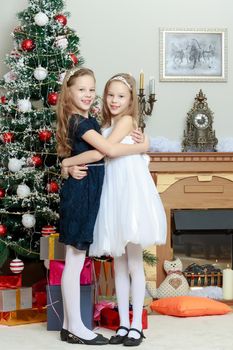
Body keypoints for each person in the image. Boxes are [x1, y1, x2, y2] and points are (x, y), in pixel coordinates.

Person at [61, 73, 167, 347]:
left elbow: (105, 152)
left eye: (121, 96)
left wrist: (144, 145)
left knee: (133, 261)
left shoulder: (127, 121)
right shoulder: (102, 123)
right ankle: (122, 322)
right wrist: (68, 165)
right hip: (111, 195)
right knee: (119, 262)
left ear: (131, 99)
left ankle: (135, 325)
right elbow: (103, 151)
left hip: (129, 195)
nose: (114, 100)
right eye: (110, 95)